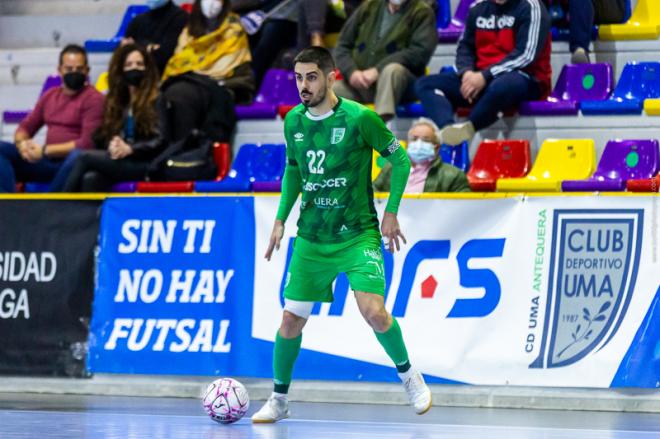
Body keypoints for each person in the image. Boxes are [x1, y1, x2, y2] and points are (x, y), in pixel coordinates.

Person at [251, 47, 431, 424]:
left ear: (331, 76)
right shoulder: (293, 123)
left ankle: (410, 377)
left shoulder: (359, 118)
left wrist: (392, 212)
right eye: (299, 78)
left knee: (374, 313)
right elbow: (294, 172)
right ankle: (279, 399)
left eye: (311, 77)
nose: (303, 85)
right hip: (313, 238)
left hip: (357, 235)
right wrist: (282, 218)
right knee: (290, 322)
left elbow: (399, 159)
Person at [415, 0, 551, 146]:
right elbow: (465, 47)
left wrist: (485, 76)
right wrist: (466, 73)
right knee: (424, 83)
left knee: (504, 85)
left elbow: (526, 55)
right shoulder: (477, 8)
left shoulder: (531, 6)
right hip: (480, 78)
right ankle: (449, 129)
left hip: (523, 77)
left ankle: (470, 126)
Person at [0, 44, 104, 193]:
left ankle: (47, 206)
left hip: (71, 164)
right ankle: (6, 206)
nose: (74, 72)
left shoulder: (94, 99)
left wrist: (44, 150)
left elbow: (86, 144)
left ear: (87, 71)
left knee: (79, 155)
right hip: (45, 163)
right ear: (60, 70)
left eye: (79, 69)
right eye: (69, 69)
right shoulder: (50, 95)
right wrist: (22, 145)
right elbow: (24, 128)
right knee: (1, 148)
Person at [62, 44, 164, 192]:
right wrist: (113, 143)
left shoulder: (157, 99)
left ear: (147, 69)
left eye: (139, 64)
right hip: (122, 160)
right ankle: (87, 215)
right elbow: (104, 134)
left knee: (83, 157)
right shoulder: (118, 100)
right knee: (91, 178)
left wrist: (131, 149)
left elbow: (161, 140)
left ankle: (56, 205)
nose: (134, 68)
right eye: (128, 65)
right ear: (121, 70)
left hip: (145, 162)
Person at [161, 0, 254, 143]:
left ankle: (188, 151)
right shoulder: (189, 30)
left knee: (182, 94)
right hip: (189, 82)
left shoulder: (234, 28)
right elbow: (179, 61)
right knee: (168, 94)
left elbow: (230, 65)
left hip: (223, 84)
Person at [333, 0, 436, 121]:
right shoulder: (369, 6)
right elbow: (342, 45)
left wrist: (377, 70)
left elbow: (420, 53)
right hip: (362, 84)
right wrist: (352, 72)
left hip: (401, 86)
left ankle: (378, 128)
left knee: (392, 70)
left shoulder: (422, 12)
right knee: (329, 92)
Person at [374, 117, 471, 193]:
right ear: (408, 144)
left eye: (426, 140)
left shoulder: (453, 175)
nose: (419, 144)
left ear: (436, 148)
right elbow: (370, 193)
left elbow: (463, 207)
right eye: (414, 139)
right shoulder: (391, 168)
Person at [123, 0, 189, 74]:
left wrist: (137, 44)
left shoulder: (181, 18)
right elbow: (124, 53)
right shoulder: (138, 20)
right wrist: (150, 47)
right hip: (137, 78)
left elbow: (164, 56)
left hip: (167, 78)